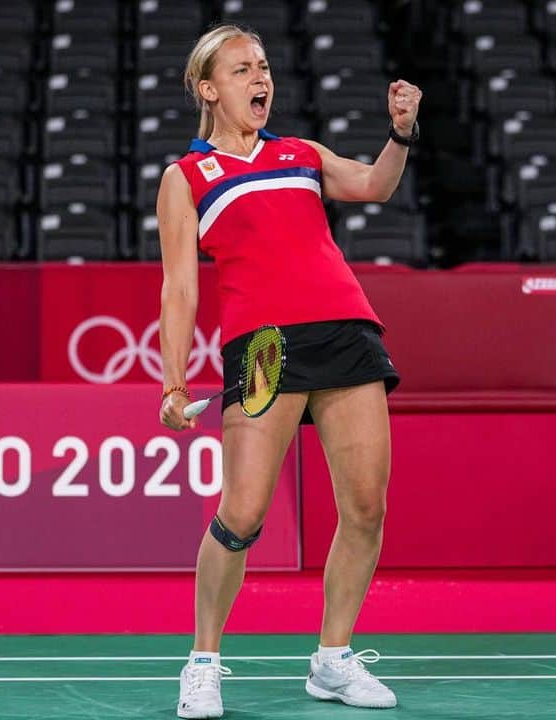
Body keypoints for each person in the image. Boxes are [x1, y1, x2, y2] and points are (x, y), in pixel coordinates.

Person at [157, 24, 421, 720]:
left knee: (366, 507)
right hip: (265, 347)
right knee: (242, 515)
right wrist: (174, 382)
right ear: (209, 88)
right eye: (243, 70)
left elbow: (371, 186)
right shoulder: (187, 177)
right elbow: (179, 288)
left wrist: (400, 135)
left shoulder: (299, 153)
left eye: (264, 67)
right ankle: (203, 662)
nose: (260, 79)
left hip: (344, 331)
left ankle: (333, 660)